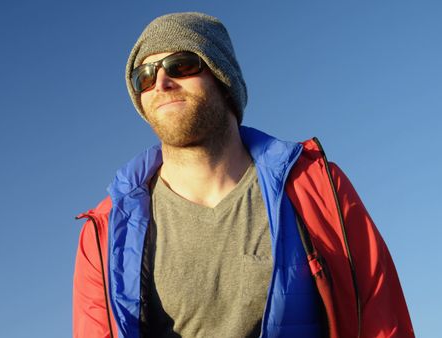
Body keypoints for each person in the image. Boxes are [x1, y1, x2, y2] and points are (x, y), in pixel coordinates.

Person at [73, 12, 414, 338]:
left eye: (181, 65)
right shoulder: (106, 231)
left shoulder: (317, 188)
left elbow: (380, 316)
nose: (161, 82)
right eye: (143, 77)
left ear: (223, 79)